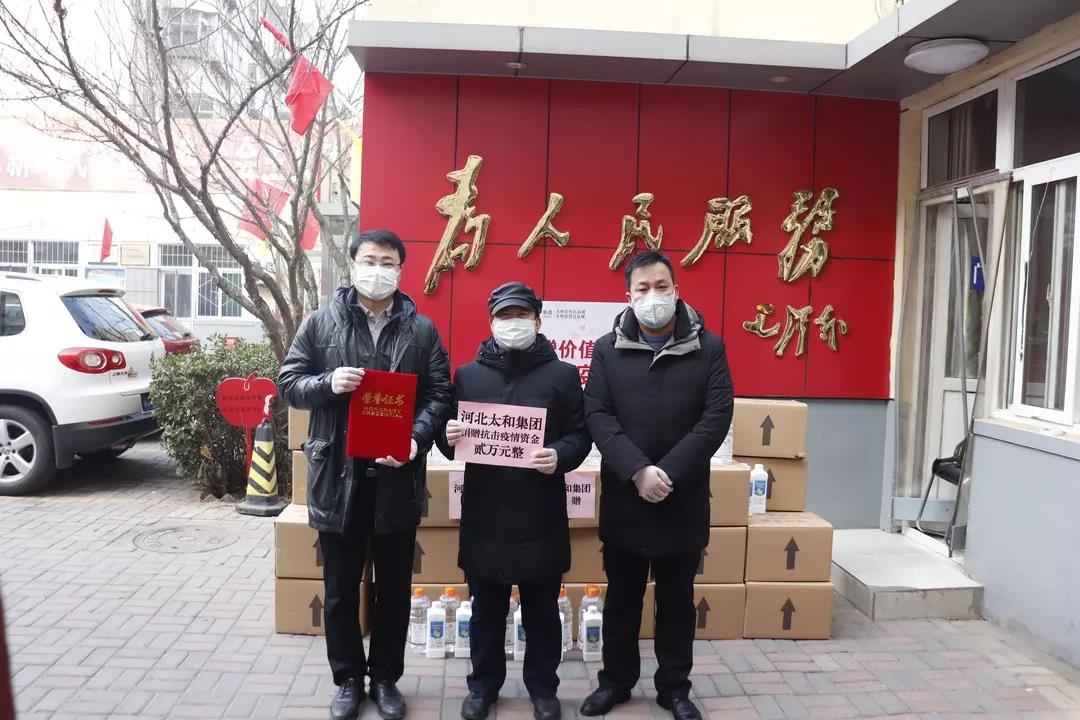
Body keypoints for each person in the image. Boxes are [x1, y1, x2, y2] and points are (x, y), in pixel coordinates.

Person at [279, 229, 452, 720]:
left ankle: (386, 678)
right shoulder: (320, 323)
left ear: (401, 269)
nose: (379, 270)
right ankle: (348, 679)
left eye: (388, 262)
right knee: (339, 591)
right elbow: (289, 383)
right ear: (352, 265)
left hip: (397, 475)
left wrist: (414, 439)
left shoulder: (422, 331)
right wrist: (328, 382)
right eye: (370, 260)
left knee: (394, 590)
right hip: (338, 476)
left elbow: (439, 394)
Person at [580, 251, 734, 720]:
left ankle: (674, 688)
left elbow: (716, 417)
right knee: (621, 599)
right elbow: (598, 414)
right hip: (626, 497)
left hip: (681, 497)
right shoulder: (607, 349)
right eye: (643, 289)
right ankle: (615, 682)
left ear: (676, 290)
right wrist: (637, 471)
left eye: (661, 286)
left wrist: (667, 473)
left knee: (677, 601)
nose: (653, 297)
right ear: (628, 297)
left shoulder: (709, 348)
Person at [437, 282, 591, 720]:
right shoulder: (468, 375)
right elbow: (451, 440)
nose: (513, 323)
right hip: (485, 512)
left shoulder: (562, 375)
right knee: (486, 610)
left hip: (540, 512)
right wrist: (448, 435)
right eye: (504, 316)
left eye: (521, 315)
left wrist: (559, 455)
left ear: (538, 321)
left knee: (542, 611)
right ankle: (483, 687)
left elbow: (580, 435)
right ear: (491, 323)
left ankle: (543, 690)